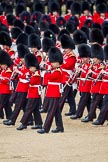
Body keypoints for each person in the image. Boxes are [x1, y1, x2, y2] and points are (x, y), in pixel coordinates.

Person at [37, 47, 64, 134]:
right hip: (52, 92)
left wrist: (46, 71)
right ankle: (60, 127)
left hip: (54, 92)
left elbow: (49, 77)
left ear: (58, 62)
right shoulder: (54, 70)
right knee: (56, 111)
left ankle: (46, 128)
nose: (52, 64)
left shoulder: (58, 71)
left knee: (51, 111)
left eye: (54, 62)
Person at [17, 53, 43, 130]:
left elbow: (31, 82)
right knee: (35, 109)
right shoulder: (33, 73)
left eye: (32, 67)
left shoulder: (36, 74)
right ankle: (38, 124)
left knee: (28, 108)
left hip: (34, 94)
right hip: (32, 93)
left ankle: (23, 123)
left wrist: (27, 76)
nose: (30, 69)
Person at [71, 43, 92, 119]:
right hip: (83, 84)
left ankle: (78, 113)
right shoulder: (84, 64)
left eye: (84, 58)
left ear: (88, 57)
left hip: (88, 84)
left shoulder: (90, 64)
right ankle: (91, 115)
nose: (82, 59)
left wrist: (81, 70)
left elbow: (89, 74)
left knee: (83, 100)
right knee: (88, 101)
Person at [0, 50, 13, 120]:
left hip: (5, 90)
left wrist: (1, 79)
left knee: (1, 104)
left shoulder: (8, 71)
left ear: (5, 64)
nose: (1, 66)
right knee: (6, 105)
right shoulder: (3, 71)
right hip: (2, 90)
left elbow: (7, 80)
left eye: (2, 64)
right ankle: (10, 117)